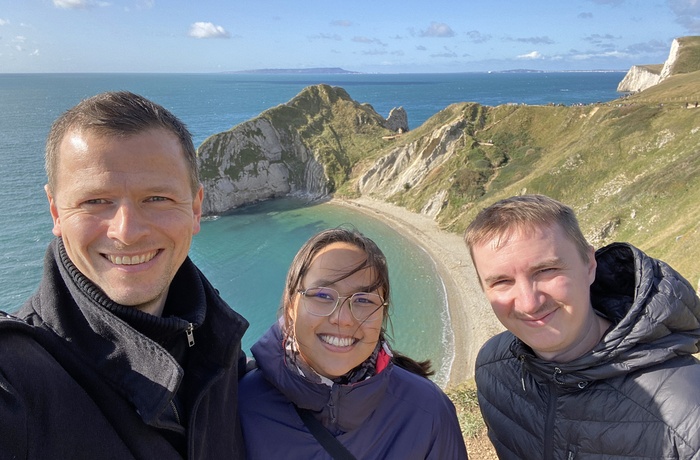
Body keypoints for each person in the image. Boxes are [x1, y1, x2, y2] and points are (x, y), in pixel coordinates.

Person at [0, 91, 249, 459]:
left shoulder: (219, 343)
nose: (127, 231)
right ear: (55, 212)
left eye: (157, 199)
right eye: (95, 201)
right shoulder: (16, 380)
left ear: (196, 209)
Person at [465, 194, 700, 459]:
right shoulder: (493, 368)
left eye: (546, 270)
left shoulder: (688, 415)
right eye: (501, 281)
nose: (529, 303)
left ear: (590, 264)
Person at [239, 227, 468, 459]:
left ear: (382, 314)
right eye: (322, 295)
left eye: (363, 300)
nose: (344, 319)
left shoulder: (428, 412)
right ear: (291, 306)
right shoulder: (239, 405)